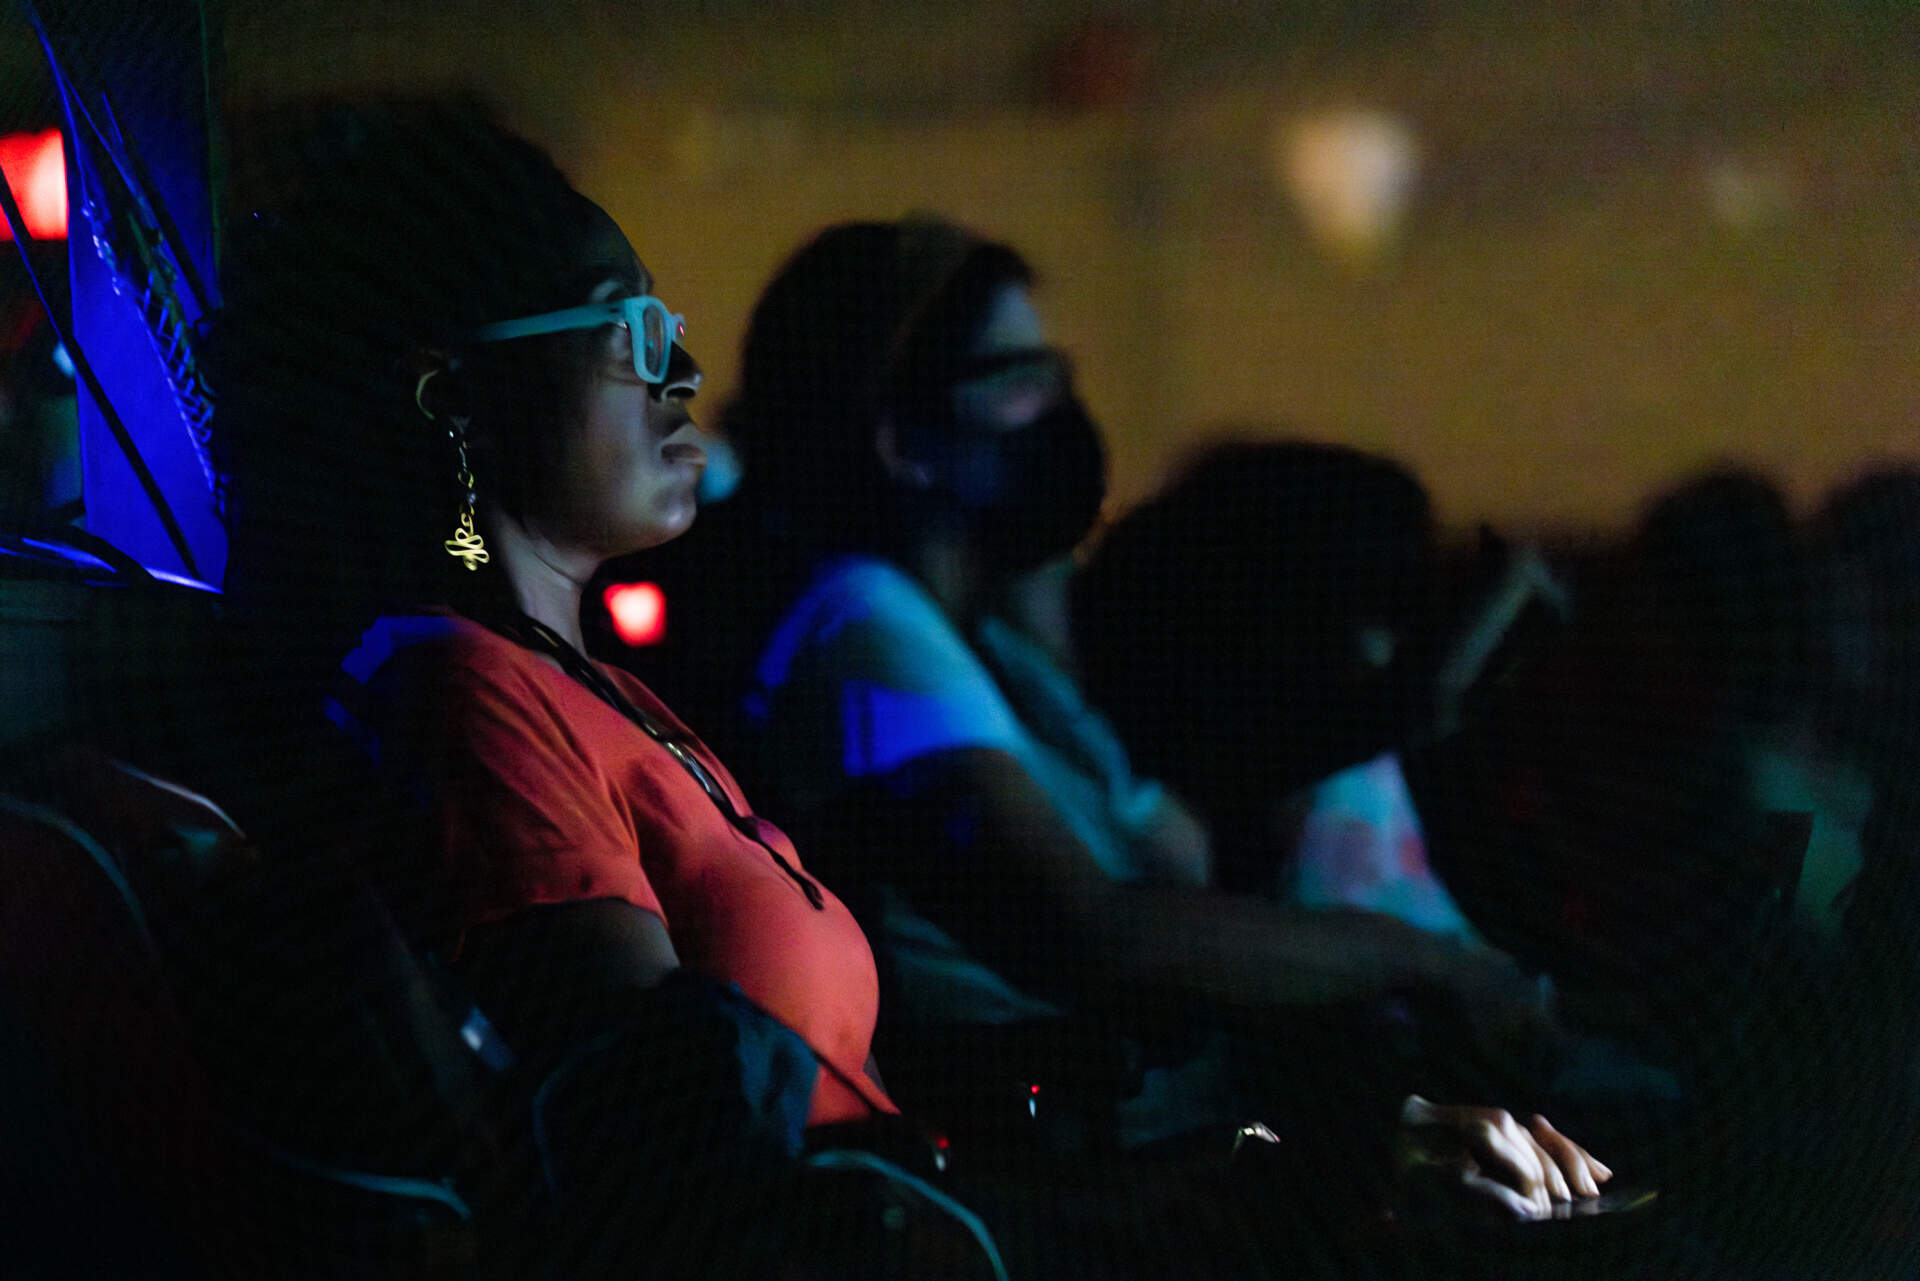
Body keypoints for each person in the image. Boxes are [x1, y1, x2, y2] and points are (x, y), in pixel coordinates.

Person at [677, 216, 1611, 1216]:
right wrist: (1426, 961)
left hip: (1186, 1143)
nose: (1063, 407)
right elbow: (1097, 930)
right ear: (901, 441)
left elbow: (1174, 829)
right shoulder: (863, 624)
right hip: (1096, 1187)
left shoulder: (990, 642)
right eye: (1022, 377)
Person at [209, 103, 965, 1279]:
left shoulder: (597, 687)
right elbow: (667, 1143)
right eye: (632, 327)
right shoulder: (464, 693)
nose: (684, 371)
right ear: (452, 396)